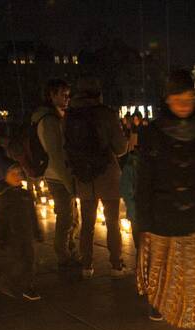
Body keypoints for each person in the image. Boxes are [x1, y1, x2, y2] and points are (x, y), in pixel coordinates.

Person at [135, 69, 195, 330]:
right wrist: (143, 219)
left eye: (189, 99)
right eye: (177, 99)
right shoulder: (152, 132)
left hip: (192, 211)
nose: (184, 105)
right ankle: (156, 301)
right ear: (167, 100)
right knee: (160, 265)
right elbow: (143, 177)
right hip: (161, 211)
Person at [64, 75, 128, 278]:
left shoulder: (69, 116)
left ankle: (87, 266)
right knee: (112, 222)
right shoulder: (106, 114)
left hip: (83, 176)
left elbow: (66, 147)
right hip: (107, 174)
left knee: (87, 224)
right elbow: (121, 147)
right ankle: (116, 265)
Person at [32, 79, 79, 269]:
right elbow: (56, 154)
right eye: (63, 94)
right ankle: (63, 255)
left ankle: (70, 250)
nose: (67, 98)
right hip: (57, 176)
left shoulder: (57, 117)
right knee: (66, 216)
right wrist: (69, 182)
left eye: (68, 94)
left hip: (61, 174)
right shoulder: (49, 120)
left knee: (72, 216)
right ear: (51, 95)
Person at [0, 155, 43, 301]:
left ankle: (29, 287)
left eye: (19, 173)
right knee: (17, 262)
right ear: (4, 176)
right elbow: (0, 220)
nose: (17, 177)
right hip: (12, 236)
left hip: (27, 233)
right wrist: (1, 238)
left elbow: (32, 214)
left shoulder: (25, 194)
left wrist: (37, 231)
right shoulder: (3, 196)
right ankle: (7, 282)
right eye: (13, 174)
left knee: (30, 261)